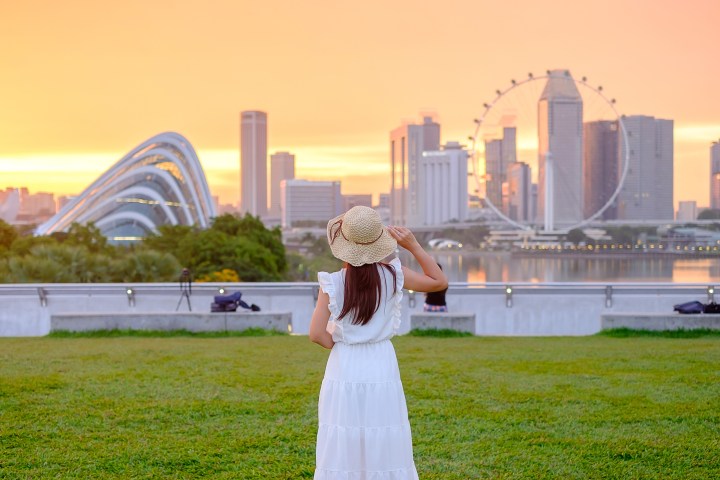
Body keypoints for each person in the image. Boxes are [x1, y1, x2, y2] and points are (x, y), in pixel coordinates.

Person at [309, 206, 448, 479]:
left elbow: (316, 333)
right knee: (383, 427)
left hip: (345, 362)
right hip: (381, 361)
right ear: (378, 241)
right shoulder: (395, 275)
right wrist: (414, 246)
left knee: (343, 429)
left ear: (344, 243)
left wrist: (339, 343)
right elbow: (439, 281)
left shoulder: (332, 283)